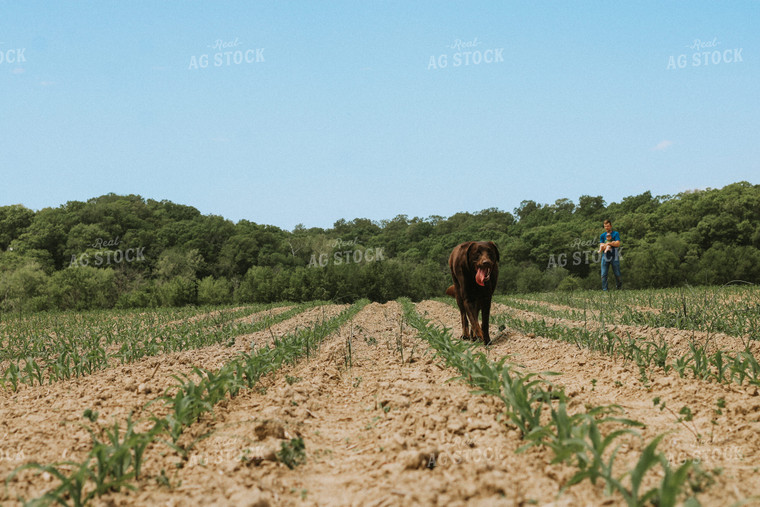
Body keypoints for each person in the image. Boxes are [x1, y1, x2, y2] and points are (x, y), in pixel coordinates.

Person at [599, 219, 621, 291]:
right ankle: (605, 290)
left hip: (614, 256)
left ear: (611, 226)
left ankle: (619, 288)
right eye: (605, 226)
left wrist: (609, 243)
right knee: (603, 274)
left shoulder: (615, 234)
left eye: (608, 226)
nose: (606, 228)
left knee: (617, 273)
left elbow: (618, 244)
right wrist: (612, 244)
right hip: (605, 256)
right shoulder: (602, 235)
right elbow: (602, 246)